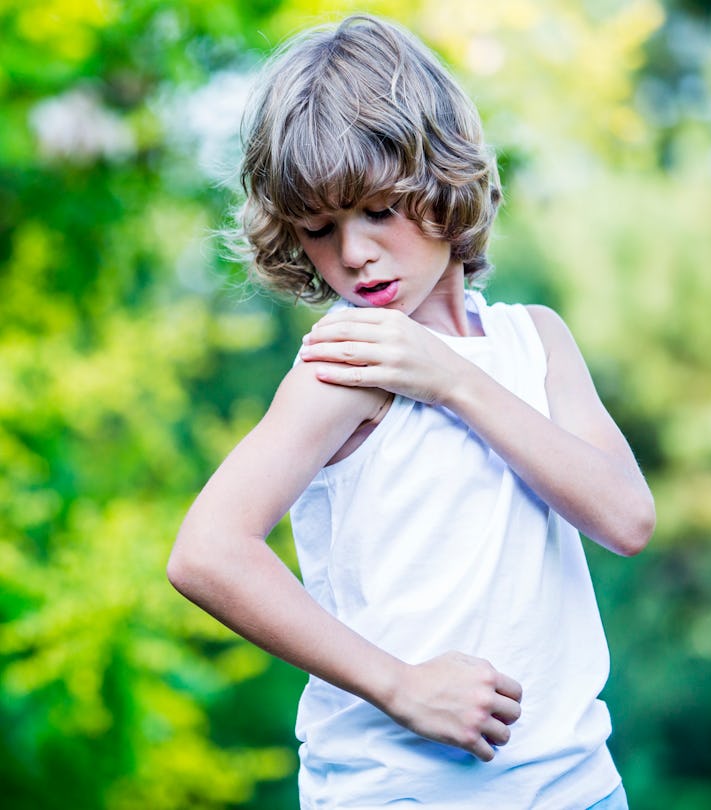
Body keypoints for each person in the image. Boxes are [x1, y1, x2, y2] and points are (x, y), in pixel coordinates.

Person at [167, 14, 655, 810]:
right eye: (319, 230)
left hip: (577, 787)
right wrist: (398, 686)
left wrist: (454, 381)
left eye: (377, 212)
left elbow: (627, 519)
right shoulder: (347, 364)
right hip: (398, 794)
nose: (353, 254)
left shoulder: (536, 341)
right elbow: (207, 551)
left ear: (445, 181)